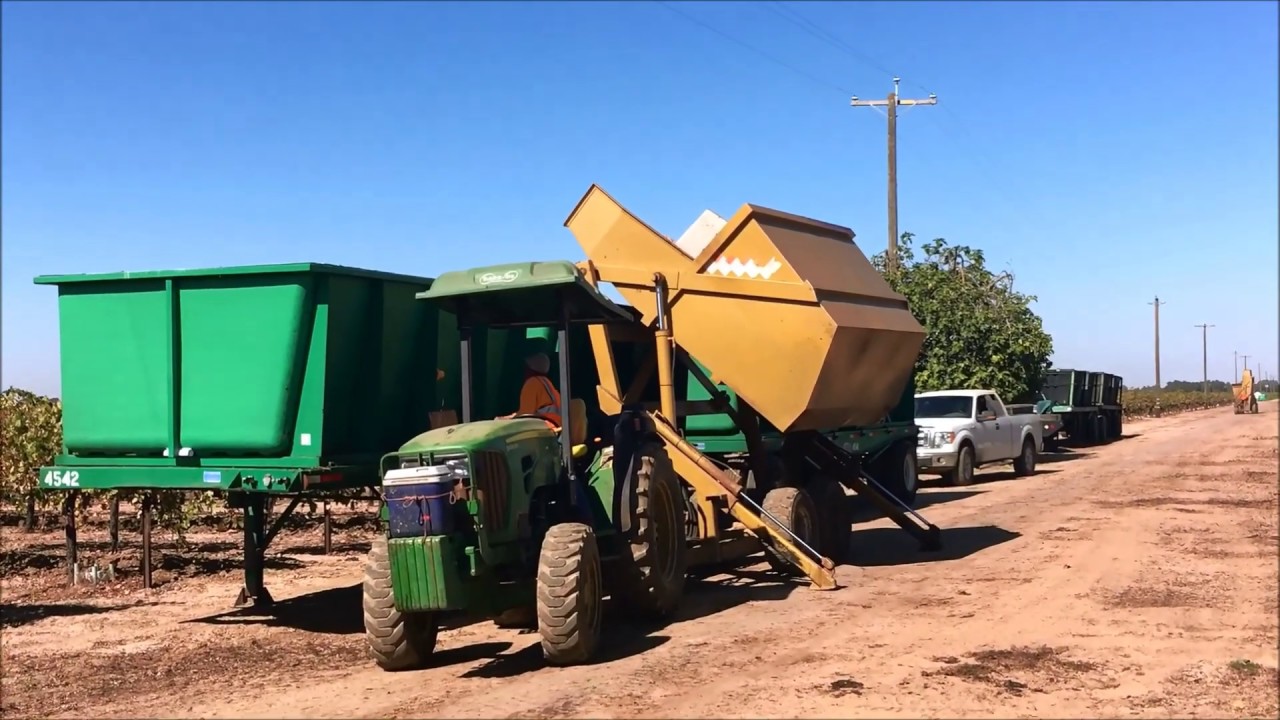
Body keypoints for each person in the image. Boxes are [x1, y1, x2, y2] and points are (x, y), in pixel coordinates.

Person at [499, 352, 562, 427]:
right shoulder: (546, 382)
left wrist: (502, 422)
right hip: (556, 428)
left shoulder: (532, 383)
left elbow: (525, 417)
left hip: (545, 429)